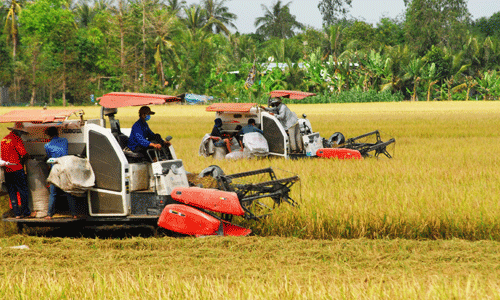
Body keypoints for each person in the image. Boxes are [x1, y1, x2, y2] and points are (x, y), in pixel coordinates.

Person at [44, 126, 77, 220]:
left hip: (55, 169)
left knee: (53, 193)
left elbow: (49, 157)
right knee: (68, 192)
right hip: (66, 167)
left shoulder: (47, 145)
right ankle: (74, 214)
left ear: (48, 135)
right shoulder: (65, 140)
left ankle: (49, 214)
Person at [0, 126, 32, 219]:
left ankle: (17, 213)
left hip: (7, 169)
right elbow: (23, 153)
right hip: (17, 168)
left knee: (12, 191)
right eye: (21, 133)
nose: (22, 135)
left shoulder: (4, 139)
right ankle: (26, 212)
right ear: (18, 131)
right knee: (23, 190)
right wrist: (30, 159)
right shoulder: (16, 139)